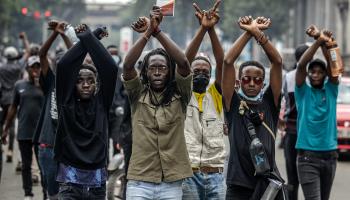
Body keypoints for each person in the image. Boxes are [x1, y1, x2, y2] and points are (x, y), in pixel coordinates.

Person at [123, 6, 192, 200]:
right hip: (139, 182)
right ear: (145, 72)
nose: (157, 71)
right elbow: (128, 65)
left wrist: (158, 31)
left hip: (171, 183)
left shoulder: (181, 94)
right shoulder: (137, 94)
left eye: (162, 67)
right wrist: (147, 32)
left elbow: (184, 64)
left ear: (169, 72)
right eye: (152, 68)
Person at [222, 16, 285, 199]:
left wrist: (257, 33)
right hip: (238, 184)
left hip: (267, 184)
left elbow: (278, 62)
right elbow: (227, 62)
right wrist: (247, 33)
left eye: (257, 80)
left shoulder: (269, 102)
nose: (251, 83)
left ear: (262, 83)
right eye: (246, 79)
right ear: (239, 81)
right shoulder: (232, 103)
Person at [54, 24, 117, 199]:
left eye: (91, 80)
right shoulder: (65, 102)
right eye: (80, 80)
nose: (86, 84)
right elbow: (64, 65)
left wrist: (91, 37)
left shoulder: (102, 102)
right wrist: (90, 37)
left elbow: (110, 68)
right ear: (72, 85)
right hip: (69, 182)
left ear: (96, 84)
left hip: (96, 184)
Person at [180, 1, 226, 199]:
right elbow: (184, 61)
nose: (201, 74)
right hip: (187, 175)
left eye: (205, 72)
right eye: (196, 71)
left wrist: (211, 30)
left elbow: (222, 62)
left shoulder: (215, 95)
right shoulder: (181, 95)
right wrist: (202, 30)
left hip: (215, 174)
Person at [295, 25, 340, 200]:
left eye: (320, 72)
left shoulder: (331, 90)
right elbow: (300, 66)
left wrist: (323, 43)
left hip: (330, 157)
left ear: (325, 75)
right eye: (312, 72)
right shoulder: (303, 92)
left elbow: (334, 68)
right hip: (307, 158)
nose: (315, 75)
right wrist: (317, 42)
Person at [33, 20, 73, 200]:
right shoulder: (50, 82)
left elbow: (76, 56)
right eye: (59, 63)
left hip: (69, 148)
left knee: (67, 191)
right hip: (48, 146)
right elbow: (42, 55)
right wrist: (55, 33)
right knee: (52, 193)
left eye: (67, 63)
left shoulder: (76, 83)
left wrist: (64, 35)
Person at [2, 55, 44, 200]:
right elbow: (13, 108)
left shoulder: (45, 85)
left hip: (41, 133)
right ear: (27, 68)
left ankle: (46, 194)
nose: (36, 69)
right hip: (24, 131)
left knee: (43, 165)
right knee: (26, 165)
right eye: (33, 66)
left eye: (38, 66)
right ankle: (28, 194)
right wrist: (6, 129)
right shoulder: (19, 85)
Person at [281, 43, 309, 200]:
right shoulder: (315, 77)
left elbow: (285, 100)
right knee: (307, 176)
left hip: (291, 132)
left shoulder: (289, 77)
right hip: (303, 132)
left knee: (292, 176)